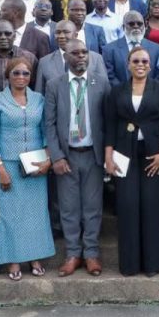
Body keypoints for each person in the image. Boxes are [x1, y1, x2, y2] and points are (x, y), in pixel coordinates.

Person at [104, 46, 159, 277]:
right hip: (124, 154)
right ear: (128, 64)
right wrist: (108, 157)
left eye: (145, 61)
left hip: (153, 154)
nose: (140, 64)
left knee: (151, 206)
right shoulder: (117, 91)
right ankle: (130, 264)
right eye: (136, 61)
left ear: (151, 65)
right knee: (128, 205)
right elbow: (110, 125)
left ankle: (153, 263)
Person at [44, 40, 110, 277]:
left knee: (92, 208)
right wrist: (57, 156)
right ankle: (73, 254)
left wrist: (107, 155)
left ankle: (91, 254)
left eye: (84, 52)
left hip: (93, 155)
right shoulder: (54, 85)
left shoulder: (101, 83)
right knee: (69, 208)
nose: (81, 56)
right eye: (75, 53)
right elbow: (48, 124)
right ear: (66, 57)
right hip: (67, 156)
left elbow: (108, 121)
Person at [0, 58, 55, 280]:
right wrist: (0, 167)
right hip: (8, 165)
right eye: (16, 73)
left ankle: (35, 257)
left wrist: (48, 159)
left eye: (26, 73)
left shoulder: (38, 99)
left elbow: (46, 130)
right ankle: (13, 260)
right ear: (8, 75)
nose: (21, 77)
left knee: (36, 214)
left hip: (35, 164)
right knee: (10, 214)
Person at [35, 20, 105, 93]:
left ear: (76, 35)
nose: (61, 36)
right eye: (58, 32)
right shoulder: (45, 62)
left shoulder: (96, 59)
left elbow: (104, 88)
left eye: (66, 32)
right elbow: (40, 94)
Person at [105, 11, 159, 86]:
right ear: (123, 27)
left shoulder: (158, 49)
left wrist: (148, 92)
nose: (136, 26)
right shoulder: (109, 50)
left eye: (139, 24)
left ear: (145, 26)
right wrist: (123, 92)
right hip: (120, 94)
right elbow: (110, 76)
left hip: (150, 95)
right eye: (131, 24)